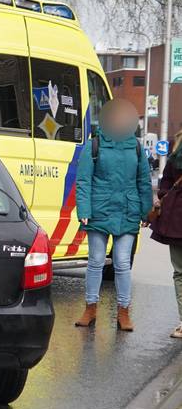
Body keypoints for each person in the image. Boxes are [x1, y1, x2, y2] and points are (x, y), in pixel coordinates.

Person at [75, 98, 152, 332]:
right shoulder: (94, 145)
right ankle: (90, 309)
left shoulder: (137, 147)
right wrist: (84, 210)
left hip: (128, 210)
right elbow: (84, 180)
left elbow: (144, 181)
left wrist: (146, 209)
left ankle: (124, 312)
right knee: (96, 262)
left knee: (121, 263)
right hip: (99, 210)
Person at [150, 135, 182, 338]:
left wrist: (164, 196)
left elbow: (166, 182)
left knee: (180, 272)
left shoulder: (177, 153)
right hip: (176, 220)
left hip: (176, 221)